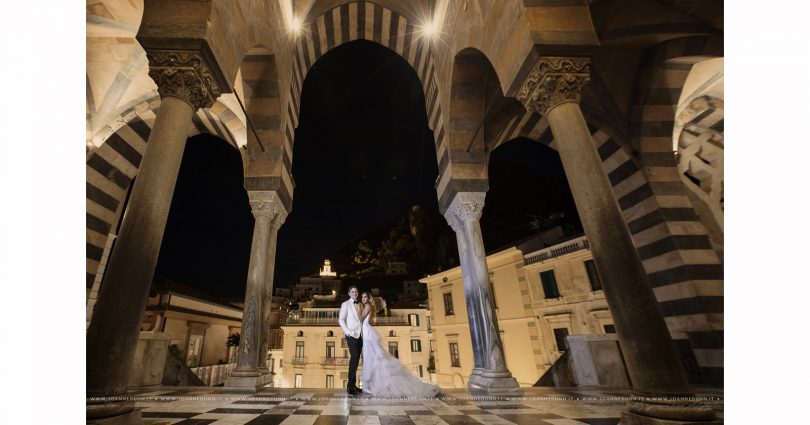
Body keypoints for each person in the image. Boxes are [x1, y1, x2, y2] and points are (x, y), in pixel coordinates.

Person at [358, 291, 440, 398]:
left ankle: (369, 385)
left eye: (365, 297)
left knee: (371, 357)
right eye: (362, 297)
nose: (363, 299)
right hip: (367, 331)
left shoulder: (367, 306)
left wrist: (357, 308)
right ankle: (369, 384)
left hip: (368, 333)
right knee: (372, 357)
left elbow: (360, 318)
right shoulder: (369, 306)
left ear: (368, 299)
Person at [338, 285, 363, 395]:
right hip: (351, 335)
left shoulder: (360, 304)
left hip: (360, 334)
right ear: (349, 293)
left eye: (356, 291)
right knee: (354, 358)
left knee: (357, 359)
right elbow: (341, 319)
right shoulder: (345, 304)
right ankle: (350, 387)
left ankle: (353, 385)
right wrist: (348, 332)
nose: (354, 293)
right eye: (352, 292)